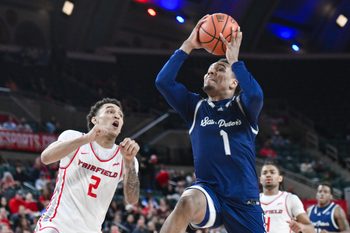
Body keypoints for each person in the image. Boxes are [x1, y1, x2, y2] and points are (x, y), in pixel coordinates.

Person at [155, 15, 265, 233]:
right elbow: (163, 81)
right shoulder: (194, 106)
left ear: (235, 82)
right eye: (209, 70)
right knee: (186, 202)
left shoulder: (244, 106)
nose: (211, 72)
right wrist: (188, 45)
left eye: (220, 70)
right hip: (209, 193)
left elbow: (256, 95)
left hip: (243, 198)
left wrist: (234, 61)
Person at [34, 98, 140, 233]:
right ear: (95, 120)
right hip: (56, 223)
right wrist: (86, 139)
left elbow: (132, 199)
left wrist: (129, 162)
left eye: (120, 115)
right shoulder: (74, 137)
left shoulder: (126, 157)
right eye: (110, 111)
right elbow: (45, 158)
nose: (116, 116)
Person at [259, 161, 315, 233]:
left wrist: (302, 227)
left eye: (272, 172)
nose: (268, 175)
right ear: (260, 179)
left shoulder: (290, 199)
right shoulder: (253, 201)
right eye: (264, 173)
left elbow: (311, 229)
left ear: (280, 178)